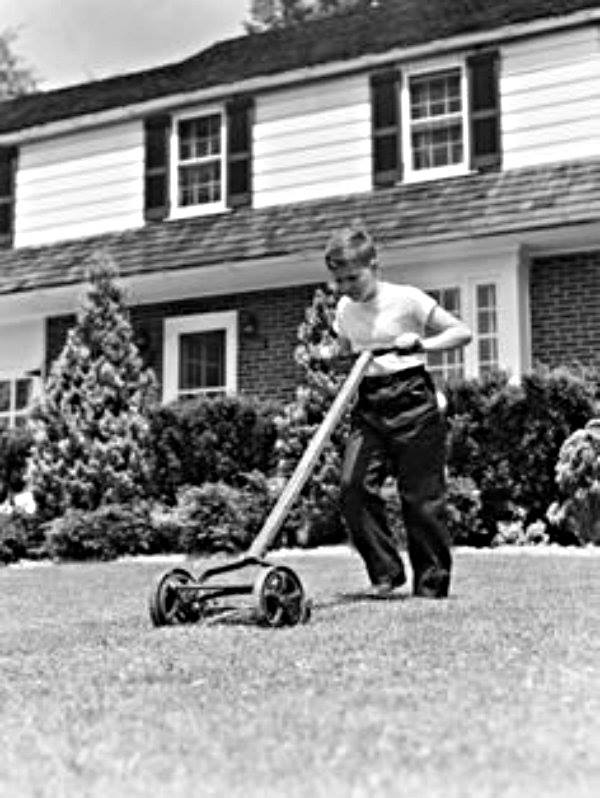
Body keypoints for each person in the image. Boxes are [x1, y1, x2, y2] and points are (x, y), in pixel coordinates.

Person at [324, 222, 472, 598]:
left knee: (421, 498)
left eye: (352, 278)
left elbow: (461, 333)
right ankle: (386, 573)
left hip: (412, 399)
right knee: (352, 488)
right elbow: (347, 345)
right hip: (369, 401)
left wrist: (420, 342)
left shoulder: (407, 299)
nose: (345, 288)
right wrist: (334, 353)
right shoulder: (344, 308)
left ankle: (431, 586)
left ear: (375, 264)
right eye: (339, 280)